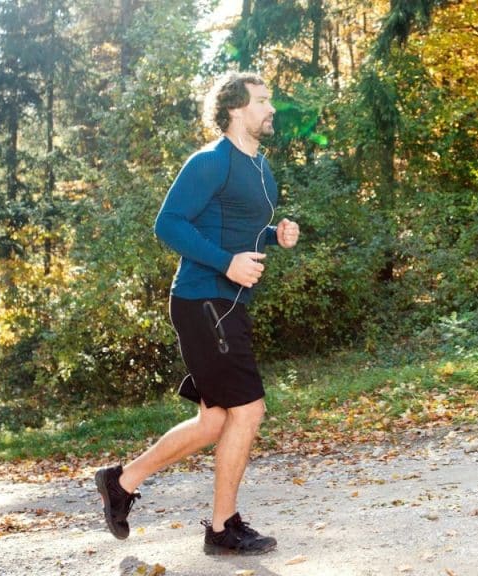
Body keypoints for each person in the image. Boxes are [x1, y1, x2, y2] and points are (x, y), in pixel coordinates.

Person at [94, 72, 299, 556]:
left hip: (227, 303)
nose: (272, 108)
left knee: (213, 422)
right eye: (263, 100)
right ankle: (222, 528)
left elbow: (236, 225)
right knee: (248, 409)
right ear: (234, 109)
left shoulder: (260, 167)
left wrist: (275, 235)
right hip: (203, 299)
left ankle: (121, 482)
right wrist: (227, 263)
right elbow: (168, 223)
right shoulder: (210, 161)